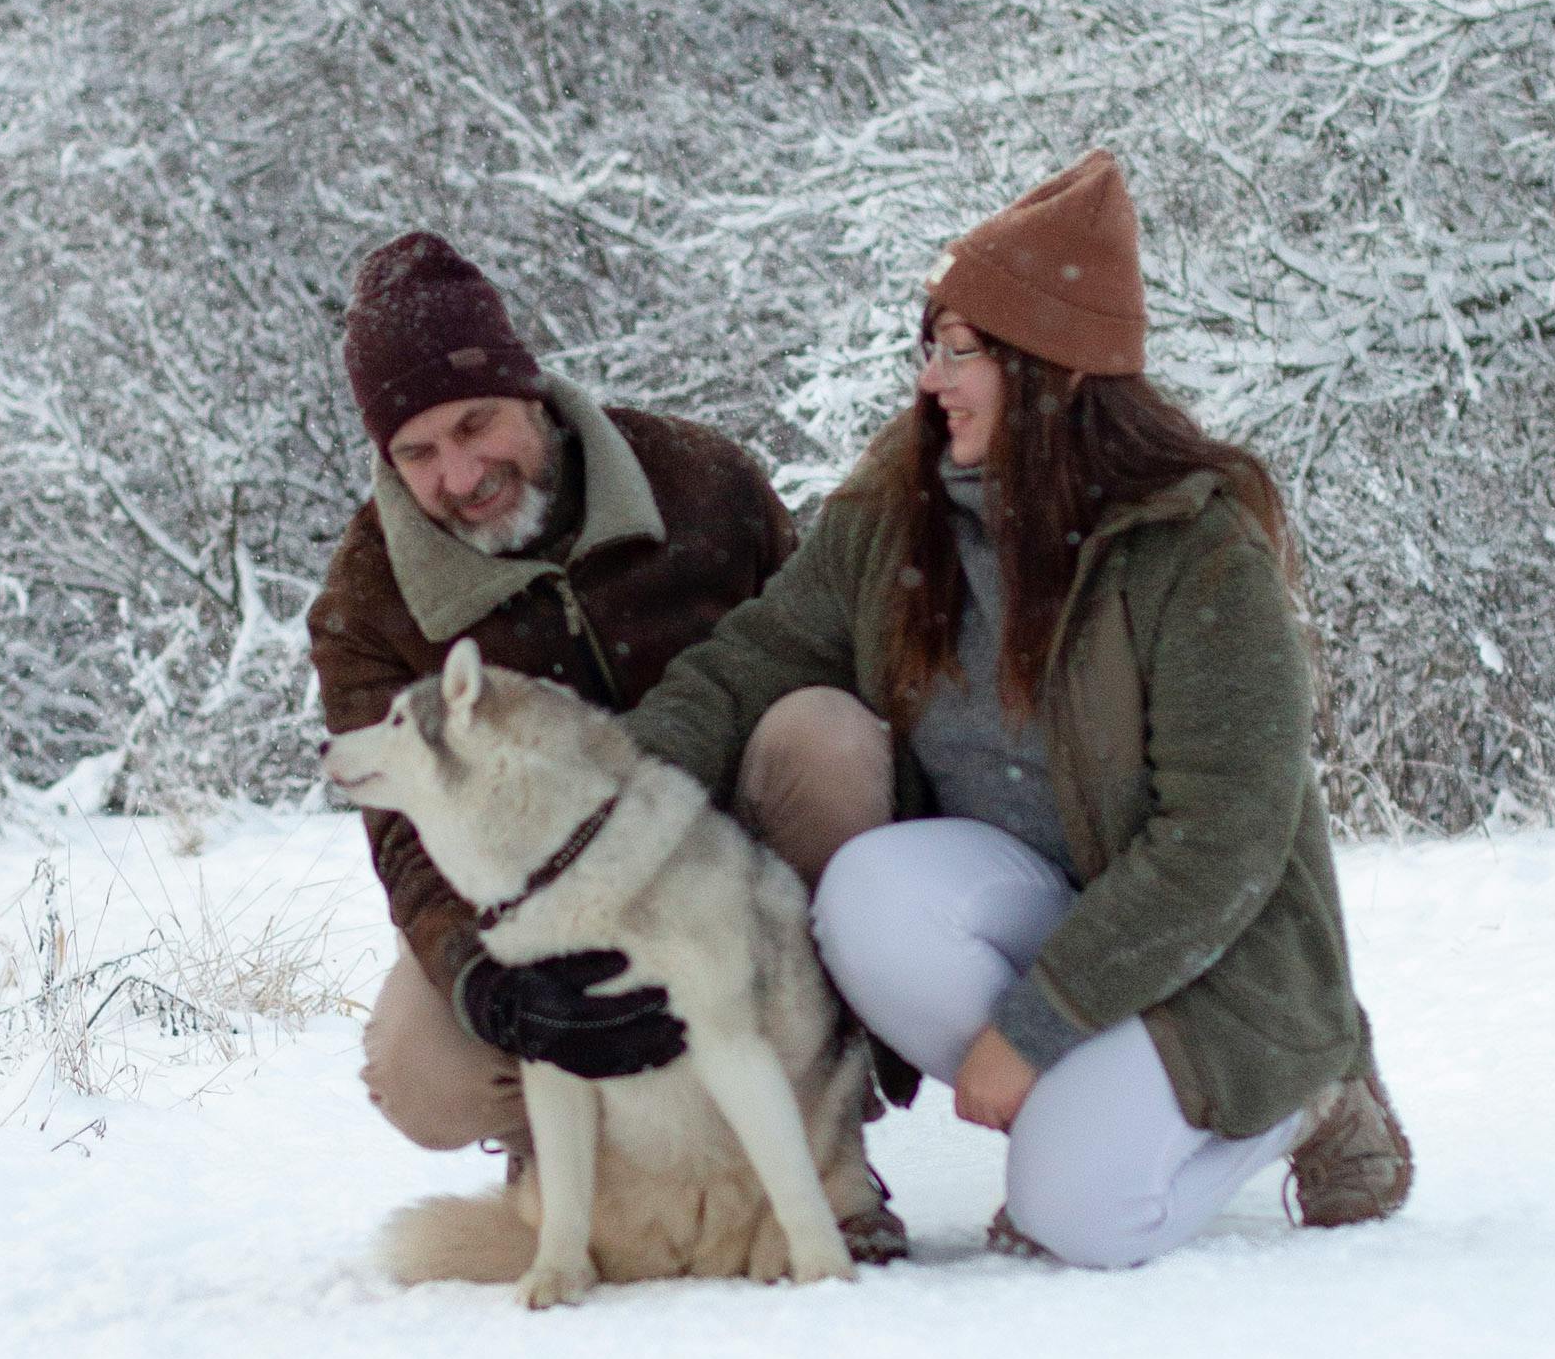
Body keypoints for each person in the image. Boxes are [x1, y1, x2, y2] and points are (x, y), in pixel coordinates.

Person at [626, 153, 1415, 1264]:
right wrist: (615, 792)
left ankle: (1310, 1090)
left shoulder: (1195, 550)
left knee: (1078, 1221)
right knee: (870, 898)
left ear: (1058, 372)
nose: (932, 378)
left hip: (1215, 951)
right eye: (930, 344)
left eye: (964, 352)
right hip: (1043, 910)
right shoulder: (900, 507)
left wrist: (1035, 1028)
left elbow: (1223, 840)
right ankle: (1090, 1107)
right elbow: (753, 661)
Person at [310, 230, 805, 1155]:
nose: (459, 478)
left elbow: (826, 659)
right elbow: (405, 837)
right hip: (531, 900)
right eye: (416, 452)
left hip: (733, 860)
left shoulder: (705, 486)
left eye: (474, 425)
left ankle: (820, 1130)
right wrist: (487, 986)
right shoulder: (367, 601)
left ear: (529, 393)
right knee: (421, 1074)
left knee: (827, 736)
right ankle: (586, 1137)